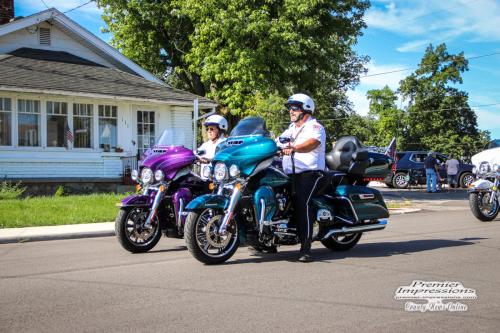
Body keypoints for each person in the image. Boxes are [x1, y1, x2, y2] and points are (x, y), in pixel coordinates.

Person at [277, 93, 326, 262]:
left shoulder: (315, 127)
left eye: (295, 108)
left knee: (302, 203)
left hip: (311, 174)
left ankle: (306, 247)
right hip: (290, 175)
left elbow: (312, 143)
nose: (291, 111)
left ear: (305, 110)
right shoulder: (291, 129)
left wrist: (295, 147)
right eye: (290, 108)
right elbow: (277, 142)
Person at [197, 115, 228, 179]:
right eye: (207, 129)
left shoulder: (225, 143)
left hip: (218, 180)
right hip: (204, 179)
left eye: (212, 129)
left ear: (220, 129)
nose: (209, 131)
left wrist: (206, 159)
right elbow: (196, 153)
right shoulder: (206, 145)